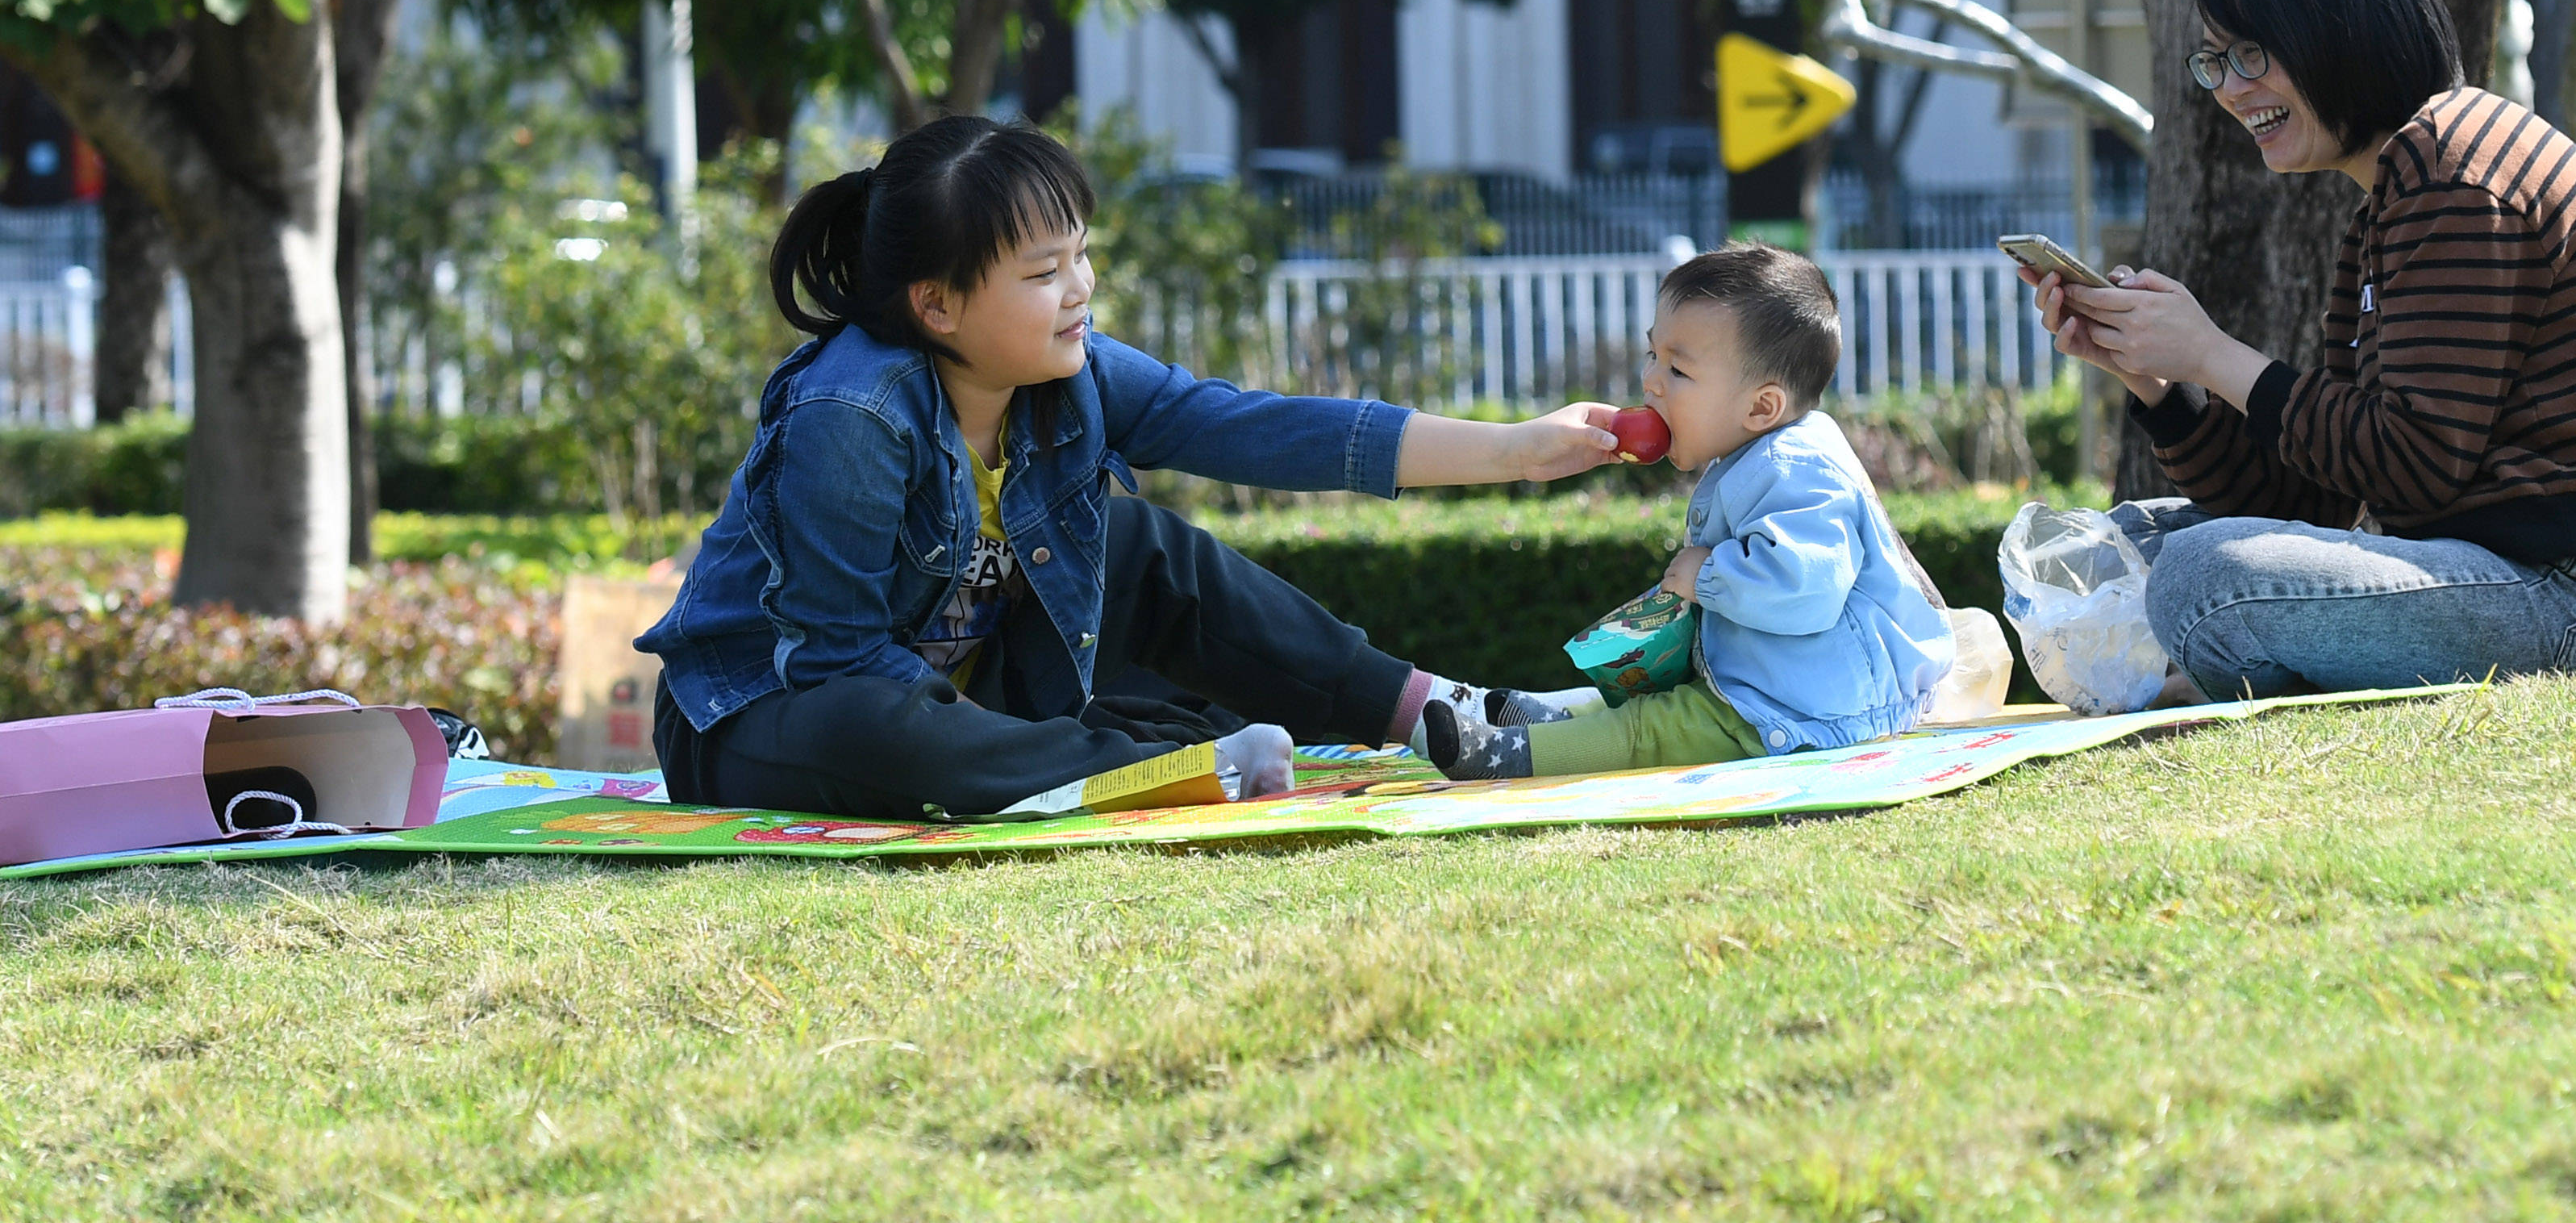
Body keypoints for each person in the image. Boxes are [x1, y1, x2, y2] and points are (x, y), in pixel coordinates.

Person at [642, 115, 1623, 816]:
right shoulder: (851, 414)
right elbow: (834, 660)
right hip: (763, 719)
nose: (1079, 290)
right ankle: (1167, 761)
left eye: (1079, 255)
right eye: (1041, 273)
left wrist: (1518, 447)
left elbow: (1256, 428)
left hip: (964, 713)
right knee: (880, 725)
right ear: (937, 305)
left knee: (1130, 537)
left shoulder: (1072, 375)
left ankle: (1436, 712)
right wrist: (1004, 735)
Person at [2016, 0, 2576, 695]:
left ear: (2336, 28)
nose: (2233, 89)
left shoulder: (2452, 169)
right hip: (2506, 575)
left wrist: (2210, 352)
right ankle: (2214, 666)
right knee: (2134, 538)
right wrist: (2157, 380)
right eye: (2214, 61)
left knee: (2199, 572)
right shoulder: (2392, 199)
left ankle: (2202, 674)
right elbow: (2315, 503)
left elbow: (2413, 465)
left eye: (2251, 53)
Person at [1420, 244, 1956, 779]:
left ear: (1760, 407)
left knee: (1649, 730)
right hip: (1769, 689)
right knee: (1653, 708)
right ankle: (1536, 718)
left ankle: (1505, 756)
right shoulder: (1757, 451)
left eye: (1678, 369)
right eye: (1653, 355)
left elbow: (1805, 588)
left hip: (1809, 713)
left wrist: (1710, 577)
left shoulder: (1799, 467)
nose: (1651, 380)